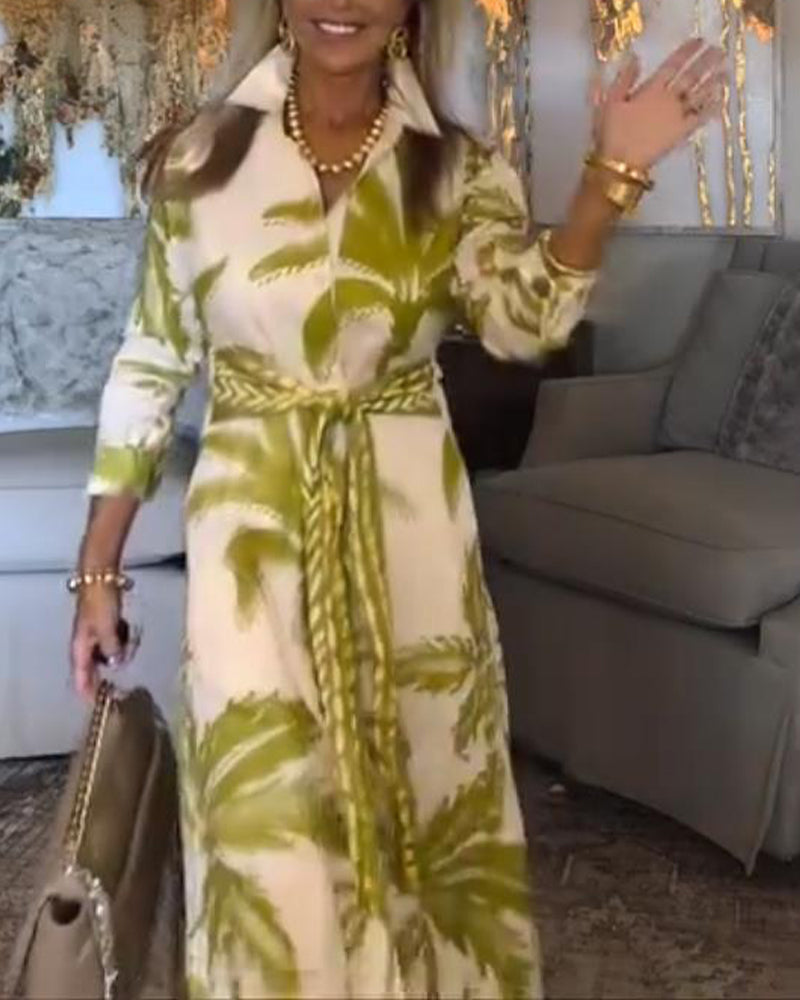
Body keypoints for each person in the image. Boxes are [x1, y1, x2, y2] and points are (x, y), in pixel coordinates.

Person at [69, 0, 725, 995]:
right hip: (253, 546)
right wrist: (97, 571)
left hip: (410, 534)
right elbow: (151, 364)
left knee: (428, 806)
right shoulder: (198, 160)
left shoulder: (456, 167)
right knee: (264, 824)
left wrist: (610, 176)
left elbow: (522, 323)